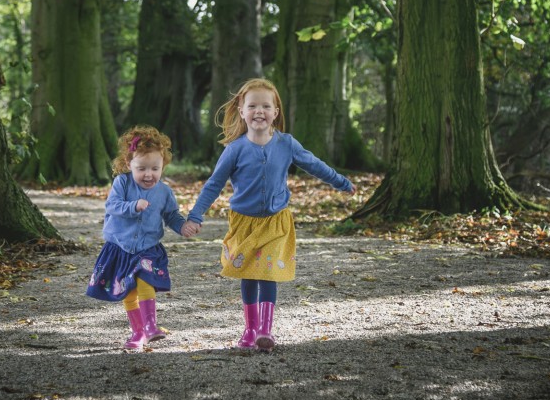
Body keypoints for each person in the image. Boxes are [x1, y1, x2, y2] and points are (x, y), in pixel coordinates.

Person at [181, 78, 355, 351]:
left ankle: (266, 330)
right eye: (252, 106)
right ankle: (249, 330)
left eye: (265, 106)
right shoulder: (235, 149)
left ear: (275, 112)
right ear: (242, 111)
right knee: (249, 274)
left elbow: (315, 165)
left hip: (276, 221)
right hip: (244, 222)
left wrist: (340, 182)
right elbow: (213, 184)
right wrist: (195, 215)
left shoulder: (286, 144)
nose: (259, 111)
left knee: (268, 273)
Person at [86, 125, 187, 350]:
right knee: (128, 291)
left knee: (145, 280)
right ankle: (138, 332)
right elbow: (112, 205)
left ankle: (151, 326)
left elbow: (171, 216)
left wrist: (183, 228)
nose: (148, 174)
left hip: (147, 248)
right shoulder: (122, 183)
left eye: (155, 168)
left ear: (163, 166)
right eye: (141, 168)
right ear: (129, 164)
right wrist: (133, 206)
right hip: (120, 247)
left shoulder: (164, 192)